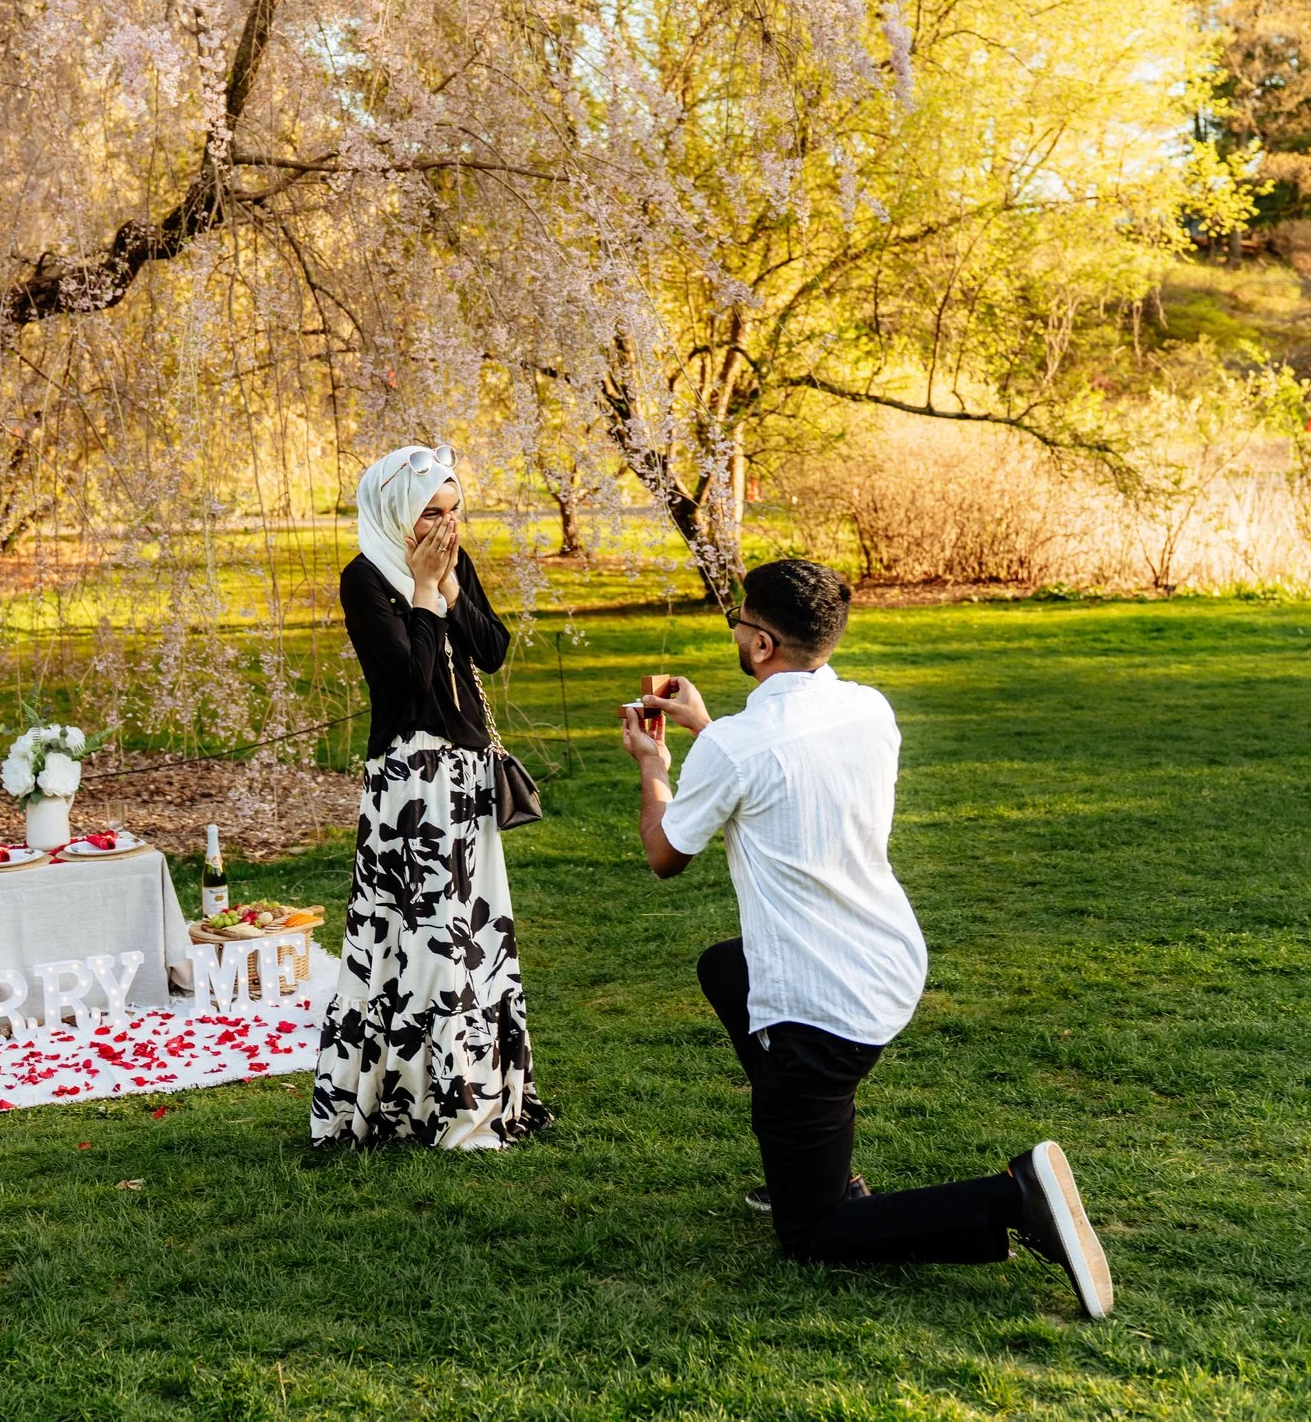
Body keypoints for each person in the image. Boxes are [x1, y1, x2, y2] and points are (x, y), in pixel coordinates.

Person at [617, 558, 1113, 1317]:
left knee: (813, 1233)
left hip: (821, 1013)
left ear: (757, 644)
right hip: (886, 967)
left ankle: (1015, 1196)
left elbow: (664, 854)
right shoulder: (868, 708)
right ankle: (818, 1154)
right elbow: (776, 767)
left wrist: (656, 763)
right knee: (726, 969)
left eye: (739, 622)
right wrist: (710, 730)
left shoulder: (740, 747)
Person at [310, 444, 552, 1150]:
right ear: (395, 513)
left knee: (470, 936)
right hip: (409, 786)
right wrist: (419, 590)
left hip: (467, 779)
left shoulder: (453, 560)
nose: (444, 528)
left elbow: (494, 648)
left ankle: (478, 1089)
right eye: (429, 515)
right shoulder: (363, 579)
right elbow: (412, 682)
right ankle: (416, 1103)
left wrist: (448, 587)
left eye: (454, 511)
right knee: (415, 938)